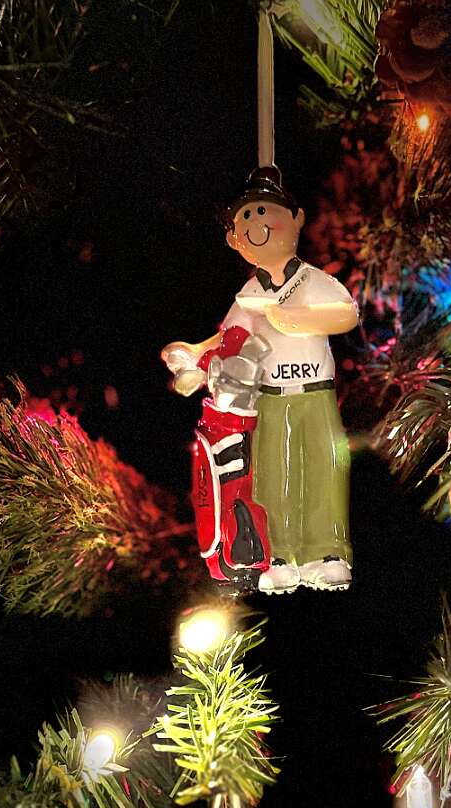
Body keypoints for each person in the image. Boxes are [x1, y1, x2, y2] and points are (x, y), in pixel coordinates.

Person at [162, 166, 358, 594]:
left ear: (296, 219)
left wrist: (295, 320)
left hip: (315, 390)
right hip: (270, 395)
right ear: (234, 239)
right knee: (272, 473)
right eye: (245, 217)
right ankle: (280, 553)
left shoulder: (313, 280)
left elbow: (345, 314)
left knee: (323, 466)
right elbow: (229, 336)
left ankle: (327, 550)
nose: (255, 223)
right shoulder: (249, 295)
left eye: (264, 211)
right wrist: (195, 355)